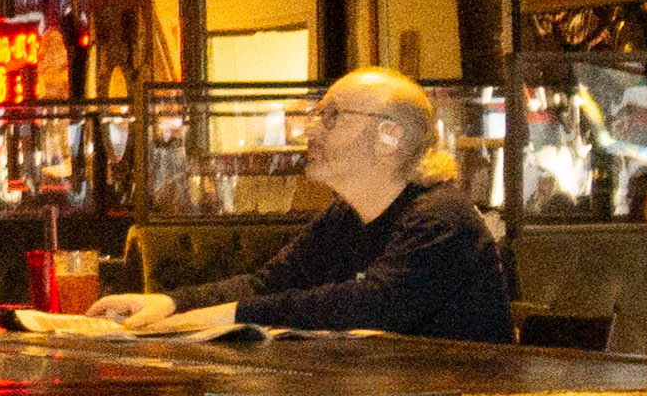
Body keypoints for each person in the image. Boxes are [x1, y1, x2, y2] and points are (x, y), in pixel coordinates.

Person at [105, 70, 512, 343]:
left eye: (331, 116)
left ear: (390, 136)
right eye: (316, 115)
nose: (310, 128)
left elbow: (371, 305)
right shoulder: (346, 215)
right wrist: (171, 303)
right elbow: (272, 283)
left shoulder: (441, 218)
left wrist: (232, 316)